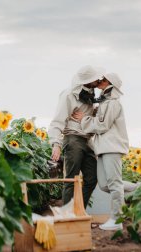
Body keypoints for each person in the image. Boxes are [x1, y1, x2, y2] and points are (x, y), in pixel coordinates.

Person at [72, 73, 129, 230]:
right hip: (103, 148)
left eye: (103, 80)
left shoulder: (112, 103)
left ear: (110, 84)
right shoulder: (105, 102)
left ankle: (117, 220)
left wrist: (84, 118)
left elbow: (102, 126)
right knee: (105, 185)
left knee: (115, 184)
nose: (99, 81)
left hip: (112, 147)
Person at [48, 65, 104, 207]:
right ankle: (67, 216)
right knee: (71, 180)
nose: (99, 80)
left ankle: (78, 211)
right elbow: (58, 120)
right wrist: (56, 143)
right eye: (96, 78)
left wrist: (95, 112)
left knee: (92, 178)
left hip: (87, 140)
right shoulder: (69, 95)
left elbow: (87, 116)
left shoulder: (89, 92)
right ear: (88, 80)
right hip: (73, 139)